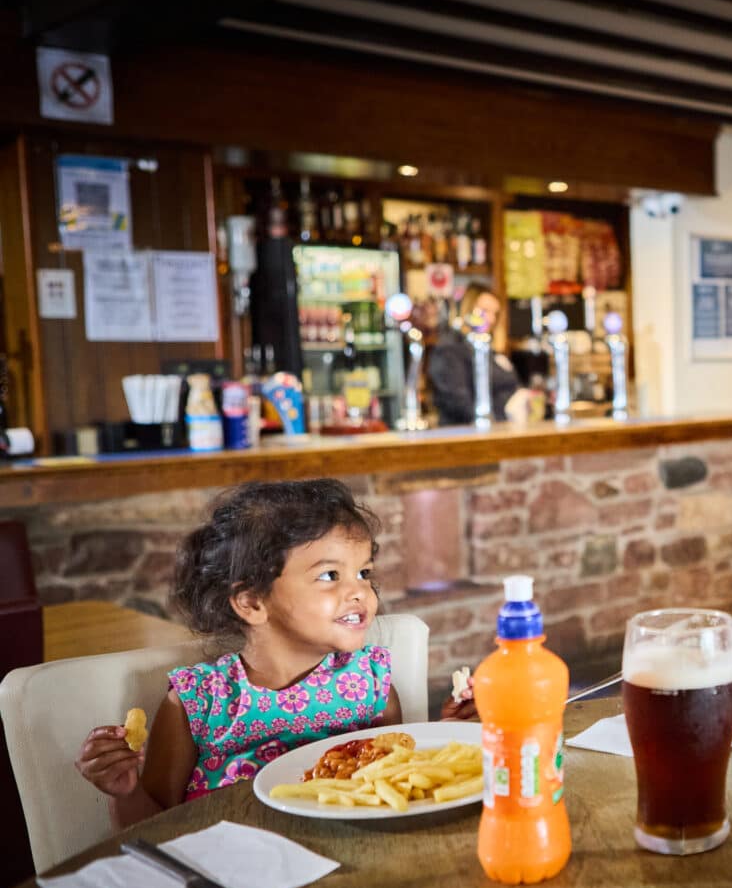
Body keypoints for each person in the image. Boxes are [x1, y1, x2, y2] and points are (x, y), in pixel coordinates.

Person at [74, 479, 402, 828]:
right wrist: (125, 792)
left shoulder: (372, 684)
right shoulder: (198, 702)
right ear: (252, 602)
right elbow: (157, 828)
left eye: (363, 572)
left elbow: (402, 789)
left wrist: (455, 726)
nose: (360, 591)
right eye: (330, 575)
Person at [428, 284, 527, 425]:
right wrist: (498, 417)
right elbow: (459, 403)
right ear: (467, 309)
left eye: (495, 313)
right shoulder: (450, 349)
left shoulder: (487, 350)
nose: (491, 319)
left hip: (501, 430)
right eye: (485, 311)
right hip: (465, 435)